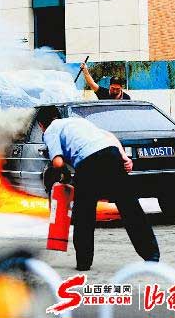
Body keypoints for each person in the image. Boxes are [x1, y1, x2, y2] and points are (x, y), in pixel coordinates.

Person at [37, 105, 159, 271]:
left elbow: (57, 162)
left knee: (84, 214)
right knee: (129, 206)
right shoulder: (78, 122)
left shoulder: (50, 130)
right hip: (111, 154)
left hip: (89, 163)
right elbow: (109, 136)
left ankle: (84, 262)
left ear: (41, 125)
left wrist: (62, 175)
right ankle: (151, 255)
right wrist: (125, 158)